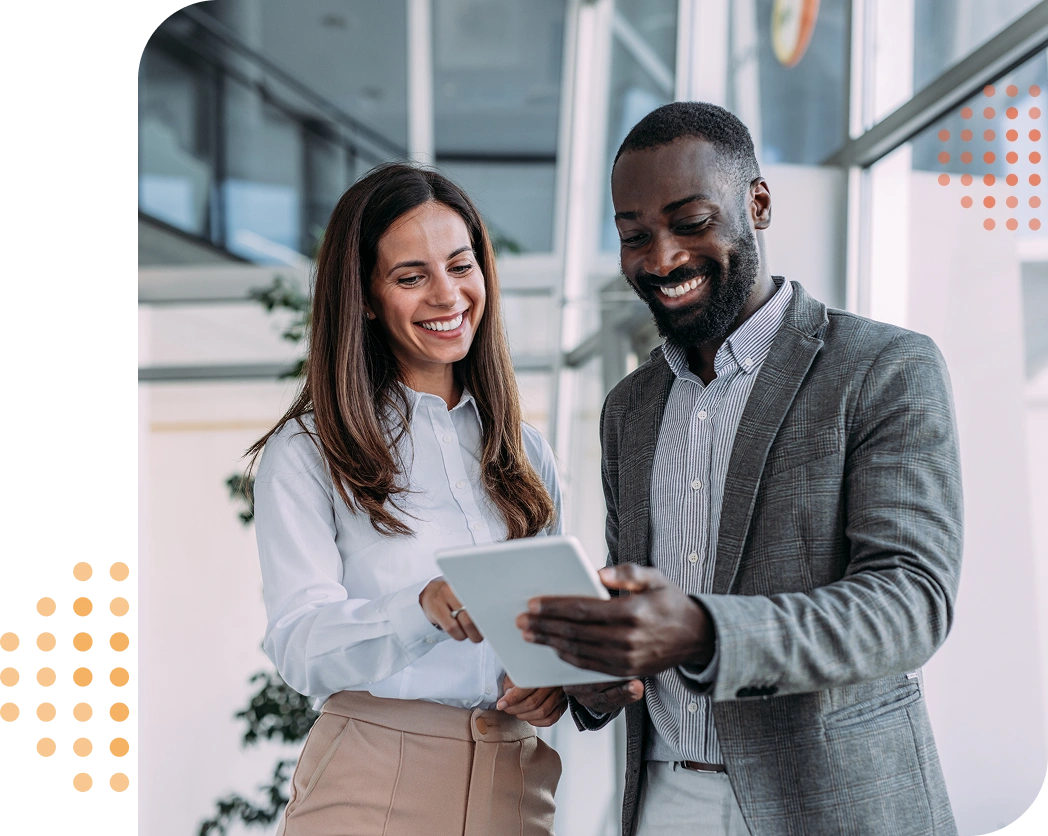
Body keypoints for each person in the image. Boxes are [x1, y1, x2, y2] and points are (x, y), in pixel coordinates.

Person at [517, 102, 962, 836]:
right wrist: (592, 671)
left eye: (691, 223)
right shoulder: (629, 407)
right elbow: (640, 624)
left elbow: (911, 603)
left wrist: (703, 631)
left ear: (757, 204)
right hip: (664, 800)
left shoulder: (883, 368)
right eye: (634, 236)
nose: (662, 259)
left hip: (832, 804)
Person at [248, 162, 566, 836]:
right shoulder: (307, 452)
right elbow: (300, 644)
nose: (448, 295)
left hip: (516, 784)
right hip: (373, 785)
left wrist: (552, 678)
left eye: (461, 266)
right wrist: (421, 608)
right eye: (411, 277)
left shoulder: (524, 452)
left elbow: (542, 627)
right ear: (365, 297)